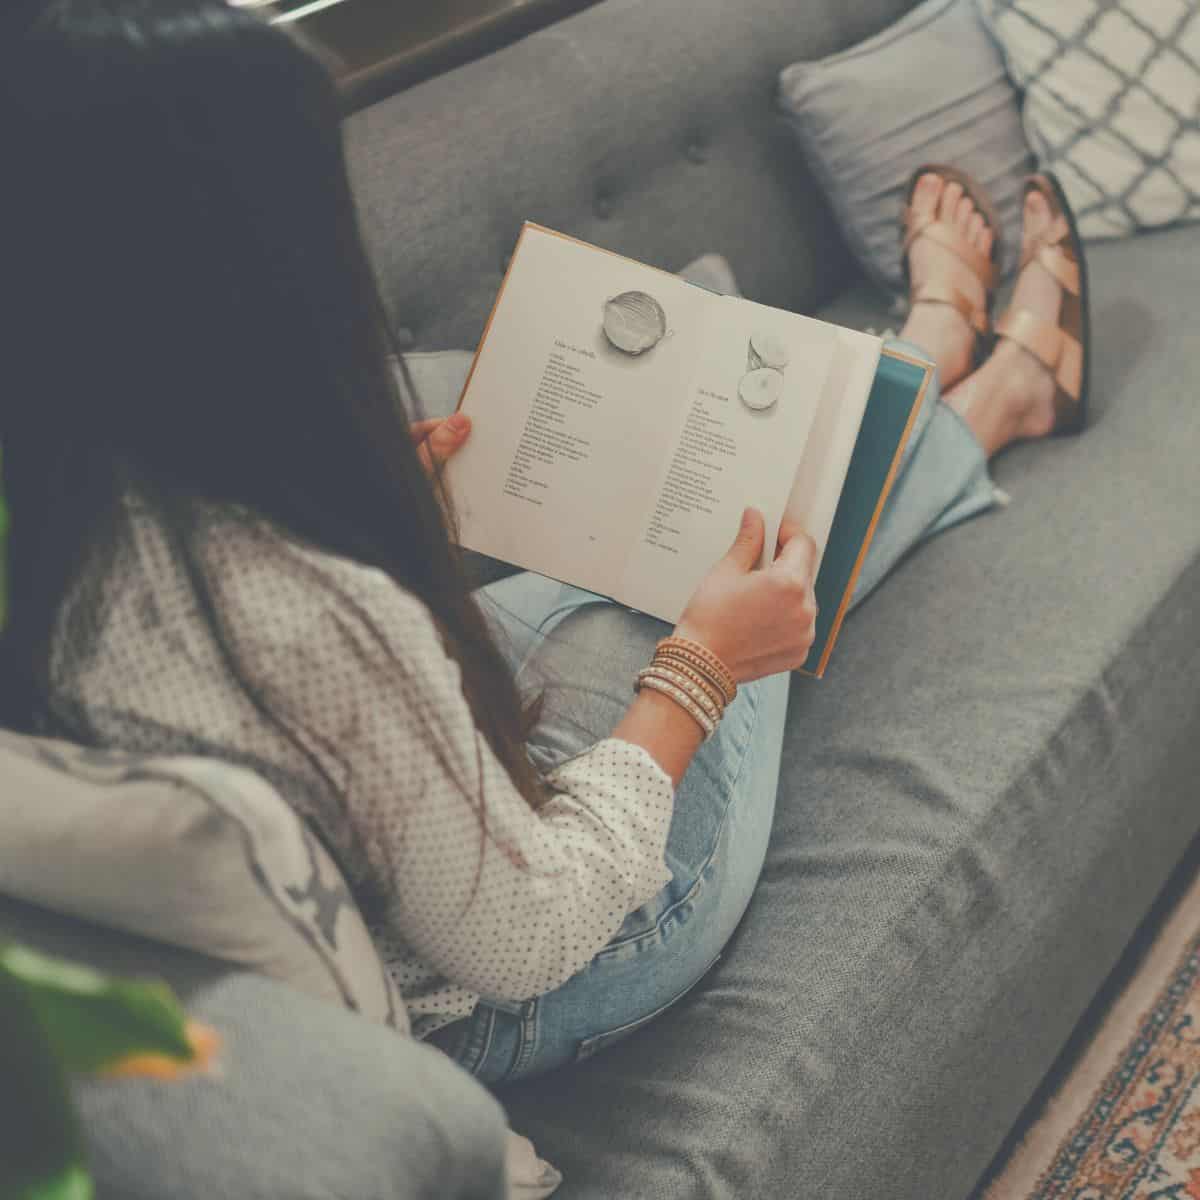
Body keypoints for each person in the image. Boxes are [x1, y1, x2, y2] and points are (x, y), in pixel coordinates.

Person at [0, 0, 1089, 1086]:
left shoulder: (63, 495)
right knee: (737, 532)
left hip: (440, 826)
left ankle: (957, 371)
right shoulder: (303, 619)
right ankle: (969, 374)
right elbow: (530, 937)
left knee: (686, 544)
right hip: (539, 965)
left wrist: (377, 526)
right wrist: (705, 669)